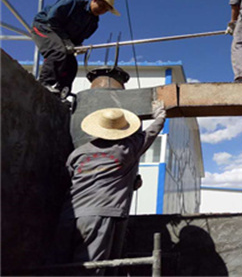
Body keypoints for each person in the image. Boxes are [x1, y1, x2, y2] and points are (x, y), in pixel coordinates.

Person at [50, 101, 165, 275]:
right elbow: (150, 133)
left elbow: (72, 178)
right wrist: (160, 116)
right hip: (99, 216)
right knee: (91, 269)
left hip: (69, 215)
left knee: (60, 266)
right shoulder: (125, 149)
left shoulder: (78, 153)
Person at [31, 0, 120, 98]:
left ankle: (62, 91)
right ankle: (44, 83)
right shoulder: (73, 1)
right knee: (57, 52)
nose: (101, 10)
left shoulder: (93, 24)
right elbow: (52, 19)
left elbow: (77, 41)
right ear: (94, 0)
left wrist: (78, 47)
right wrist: (67, 41)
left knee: (72, 65)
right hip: (45, 27)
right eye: (101, 6)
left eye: (105, 10)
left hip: (63, 39)